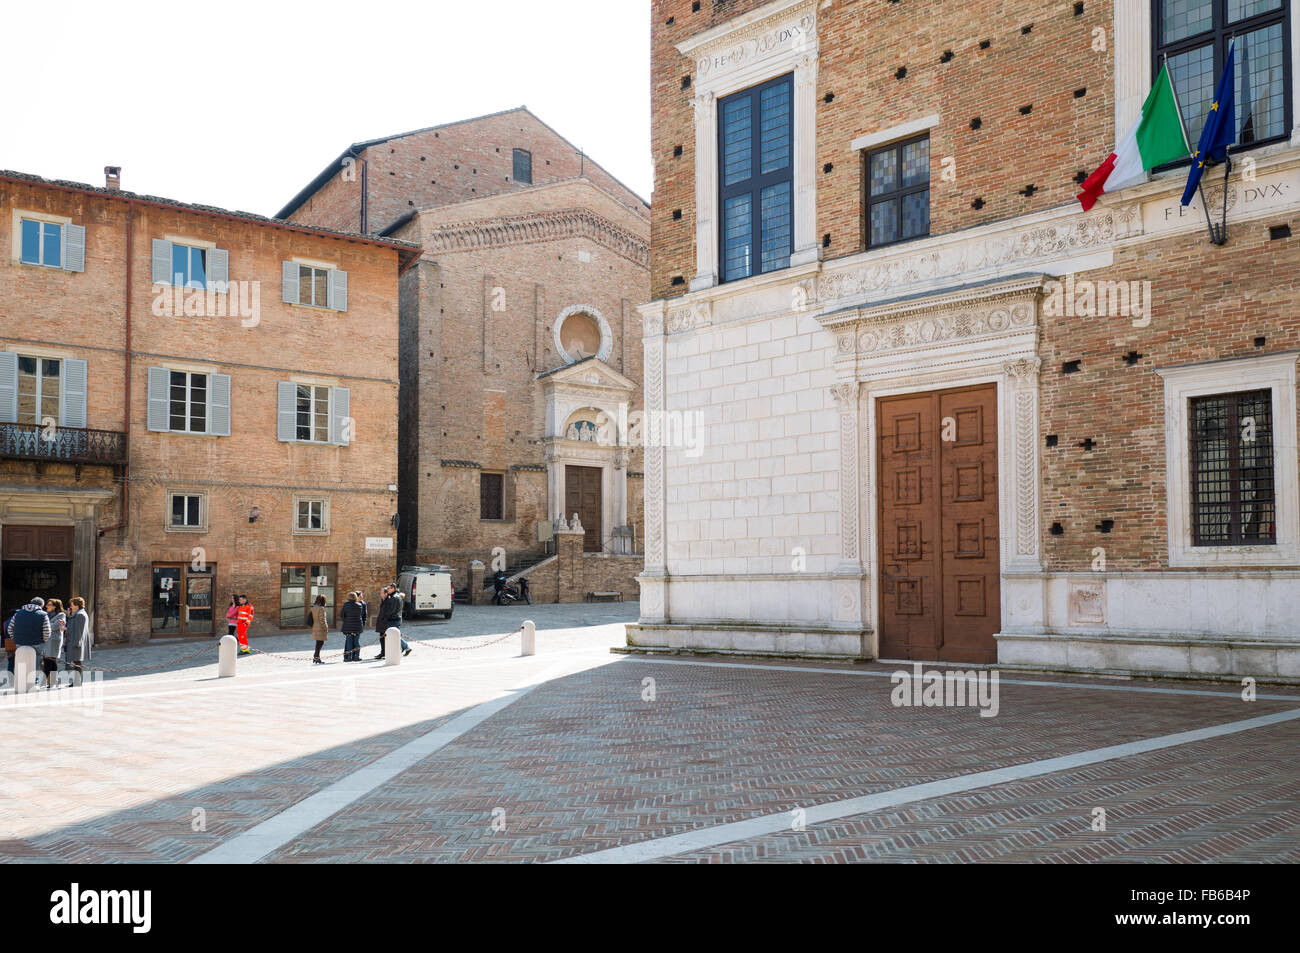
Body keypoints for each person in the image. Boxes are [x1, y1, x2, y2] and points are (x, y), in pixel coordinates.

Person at [6, 597, 50, 686]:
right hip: (37, 642)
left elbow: (10, 628)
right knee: (37, 663)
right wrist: (44, 640)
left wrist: (15, 639)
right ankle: (34, 681)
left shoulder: (17, 614)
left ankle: (21, 680)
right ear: (41, 605)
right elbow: (47, 631)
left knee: (21, 661)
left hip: (20, 642)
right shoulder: (43, 614)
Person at [372, 584, 409, 659]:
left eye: (389, 588)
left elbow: (392, 610)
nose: (387, 589)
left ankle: (406, 647)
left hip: (393, 619)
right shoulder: (393, 596)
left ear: (393, 588)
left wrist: (386, 617)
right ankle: (405, 648)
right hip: (394, 618)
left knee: (393, 635)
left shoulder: (394, 597)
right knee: (394, 635)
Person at [65, 597, 91, 683]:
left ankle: (77, 681)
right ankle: (76, 681)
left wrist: (77, 643)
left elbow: (80, 631)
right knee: (76, 662)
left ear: (77, 605)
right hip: (74, 642)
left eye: (72, 605)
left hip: (76, 643)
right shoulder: (78, 614)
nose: (70, 607)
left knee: (77, 662)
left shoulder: (80, 615)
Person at [43, 599, 66, 688]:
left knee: (51, 660)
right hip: (46, 640)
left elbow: (57, 626)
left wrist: (48, 625)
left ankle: (48, 681)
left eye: (49, 604)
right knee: (48, 661)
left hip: (54, 641)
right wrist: (51, 624)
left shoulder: (61, 614)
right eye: (47, 604)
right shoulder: (45, 615)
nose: (46, 606)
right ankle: (52, 682)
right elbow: (50, 625)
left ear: (54, 606)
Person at [339, 591, 364, 662]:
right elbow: (361, 615)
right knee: (357, 641)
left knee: (349, 642)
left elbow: (342, 615)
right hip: (357, 626)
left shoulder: (346, 605)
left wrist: (346, 620)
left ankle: (349, 657)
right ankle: (356, 656)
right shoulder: (359, 605)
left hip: (348, 626)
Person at [308, 594, 329, 664]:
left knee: (318, 643)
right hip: (320, 627)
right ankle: (316, 657)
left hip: (315, 626)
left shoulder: (314, 607)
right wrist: (326, 628)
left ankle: (316, 657)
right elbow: (322, 620)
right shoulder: (321, 608)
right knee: (320, 642)